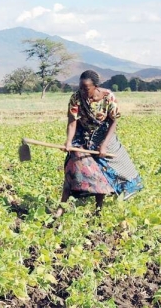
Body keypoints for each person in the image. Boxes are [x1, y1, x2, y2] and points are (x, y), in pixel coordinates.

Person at [56, 70, 143, 217]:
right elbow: (72, 122)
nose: (83, 91)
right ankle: (61, 209)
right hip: (82, 135)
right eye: (81, 87)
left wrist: (103, 144)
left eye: (86, 88)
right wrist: (69, 142)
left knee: (105, 170)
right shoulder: (76, 98)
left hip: (103, 134)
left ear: (95, 86)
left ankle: (98, 210)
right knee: (73, 166)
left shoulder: (108, 97)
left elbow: (113, 121)